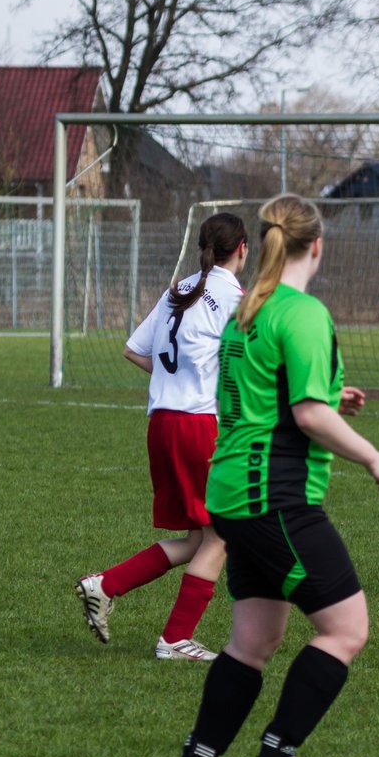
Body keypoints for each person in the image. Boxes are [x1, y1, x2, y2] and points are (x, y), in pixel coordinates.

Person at [166, 194, 379, 757]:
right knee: (345, 630)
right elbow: (306, 414)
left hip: (232, 491)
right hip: (275, 495)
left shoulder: (250, 306)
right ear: (316, 245)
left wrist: (326, 398)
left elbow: (274, 394)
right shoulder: (302, 312)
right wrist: (373, 455)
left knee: (253, 641)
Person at [76, 213, 248, 660]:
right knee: (221, 537)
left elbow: (133, 349)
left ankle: (105, 585)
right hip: (199, 426)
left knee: (197, 537)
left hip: (163, 422)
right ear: (243, 249)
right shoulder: (233, 296)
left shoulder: (180, 289)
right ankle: (175, 639)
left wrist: (175, 380)